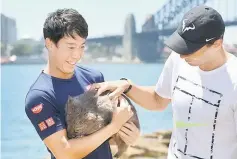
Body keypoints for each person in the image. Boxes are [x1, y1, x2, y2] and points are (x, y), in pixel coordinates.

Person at [93, 5, 237, 159]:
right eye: (181, 45)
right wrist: (128, 86)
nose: (182, 55)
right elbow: (158, 100)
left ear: (217, 44)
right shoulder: (178, 59)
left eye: (191, 49)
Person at [25, 8, 140, 159]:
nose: (77, 55)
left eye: (82, 46)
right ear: (50, 44)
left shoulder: (94, 77)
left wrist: (128, 135)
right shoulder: (39, 96)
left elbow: (102, 137)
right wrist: (114, 127)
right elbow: (64, 153)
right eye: (71, 47)